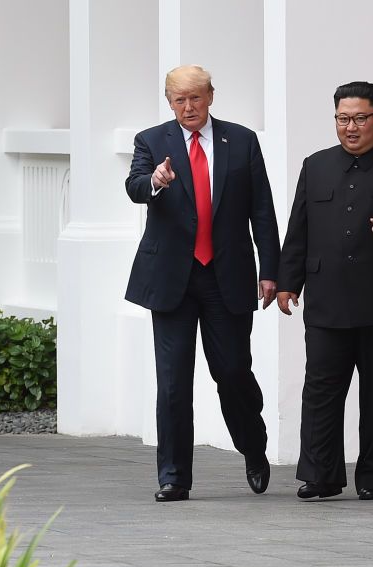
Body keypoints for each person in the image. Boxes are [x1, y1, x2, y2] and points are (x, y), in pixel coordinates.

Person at [125, 64, 281, 502]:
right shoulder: (152, 141)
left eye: (196, 97)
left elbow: (263, 209)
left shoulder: (242, 140)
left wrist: (271, 269)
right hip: (172, 277)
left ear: (211, 95)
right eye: (179, 99)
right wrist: (155, 181)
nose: (188, 107)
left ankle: (253, 446)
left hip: (225, 275)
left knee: (232, 372)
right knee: (173, 381)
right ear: (169, 101)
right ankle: (174, 476)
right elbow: (135, 185)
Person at [277, 81, 373, 501]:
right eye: (343, 119)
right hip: (328, 299)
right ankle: (320, 475)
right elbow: (298, 229)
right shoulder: (315, 166)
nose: (351, 127)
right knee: (321, 391)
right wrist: (288, 282)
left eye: (360, 118)